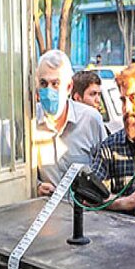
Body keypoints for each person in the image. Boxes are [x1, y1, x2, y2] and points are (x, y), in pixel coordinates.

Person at [90, 63, 135, 221]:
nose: (127, 108)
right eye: (123, 101)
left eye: (133, 99)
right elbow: (91, 197)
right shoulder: (109, 148)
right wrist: (123, 202)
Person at [33, 50, 106, 196]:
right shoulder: (31, 122)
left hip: (87, 215)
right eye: (43, 83)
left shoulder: (90, 120)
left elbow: (106, 172)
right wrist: (37, 186)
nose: (49, 91)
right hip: (49, 214)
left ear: (68, 87)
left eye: (55, 83)